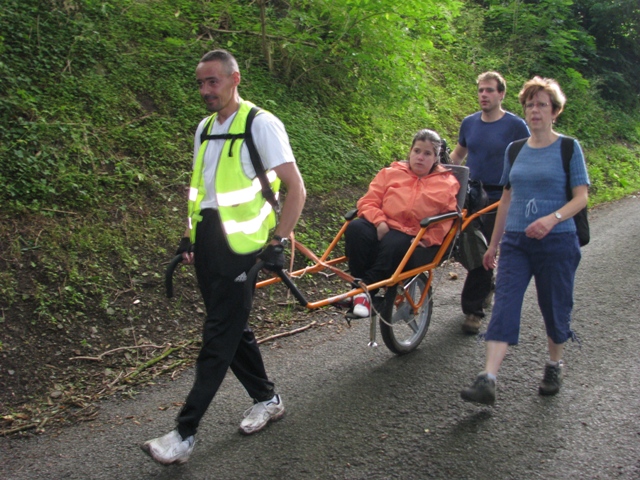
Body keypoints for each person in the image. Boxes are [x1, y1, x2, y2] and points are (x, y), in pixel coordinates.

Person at [142, 49, 306, 465]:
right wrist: (188, 238)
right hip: (209, 242)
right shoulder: (204, 128)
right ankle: (267, 399)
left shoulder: (261, 124)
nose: (205, 90)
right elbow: (199, 190)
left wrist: (278, 242)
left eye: (212, 81)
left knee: (217, 335)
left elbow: (296, 188)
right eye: (200, 83)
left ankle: (184, 432)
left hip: (246, 247)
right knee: (231, 328)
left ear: (235, 79)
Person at [460, 76, 589, 405]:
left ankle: (554, 363)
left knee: (554, 305)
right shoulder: (515, 150)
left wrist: (551, 218)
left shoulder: (568, 148)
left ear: (555, 111)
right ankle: (488, 378)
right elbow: (505, 199)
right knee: (504, 303)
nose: (534, 110)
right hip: (517, 243)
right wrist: (493, 245)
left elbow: (580, 199)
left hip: (558, 241)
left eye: (541, 105)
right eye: (530, 104)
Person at [345, 129, 460, 317]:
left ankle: (361, 292)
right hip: (382, 224)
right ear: (410, 152)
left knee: (395, 242)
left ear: (436, 157)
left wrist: (430, 239)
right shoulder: (390, 173)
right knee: (356, 228)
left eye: (427, 153)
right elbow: (367, 202)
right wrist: (380, 222)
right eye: (417, 151)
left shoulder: (447, 183)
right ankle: (362, 292)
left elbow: (447, 218)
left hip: (412, 233)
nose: (420, 157)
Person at [450, 72, 530, 334]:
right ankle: (486, 284)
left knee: (485, 247)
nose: (484, 95)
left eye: (489, 90)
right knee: (463, 246)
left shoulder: (516, 126)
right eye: (481, 90)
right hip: (472, 194)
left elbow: (529, 156)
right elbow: (458, 155)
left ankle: (473, 311)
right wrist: (441, 176)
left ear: (501, 94)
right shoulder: (469, 123)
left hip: (501, 197)